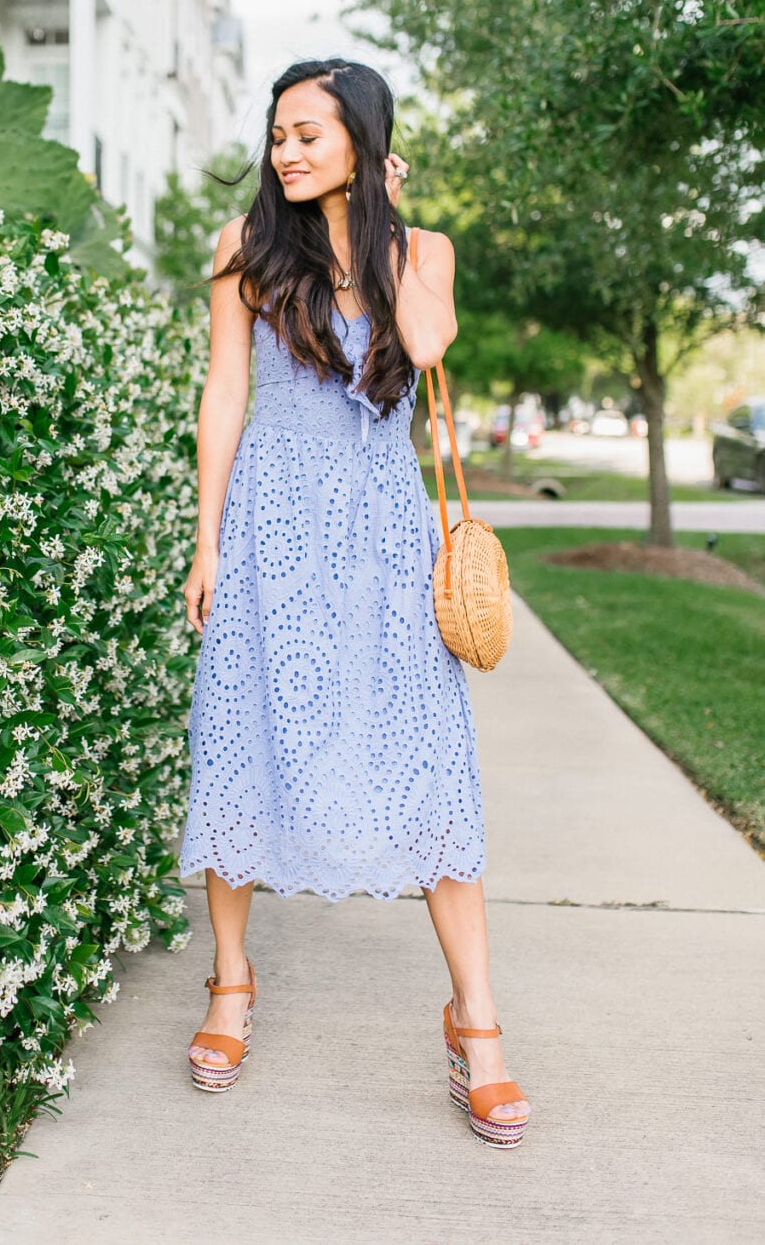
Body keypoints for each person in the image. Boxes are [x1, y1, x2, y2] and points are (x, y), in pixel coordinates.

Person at [177, 58, 530, 1145]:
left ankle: (477, 1024)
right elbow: (225, 394)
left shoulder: (421, 254)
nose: (284, 151)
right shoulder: (244, 251)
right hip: (269, 525)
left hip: (382, 527)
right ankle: (230, 983)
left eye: (308, 134)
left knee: (425, 753)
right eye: (277, 134)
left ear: (364, 148)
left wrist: (388, 221)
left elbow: (423, 348)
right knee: (241, 739)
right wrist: (207, 540)